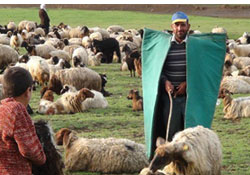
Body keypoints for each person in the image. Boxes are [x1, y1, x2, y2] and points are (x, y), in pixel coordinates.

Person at [0, 67, 46, 174]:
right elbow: (29, 150)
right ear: (28, 91)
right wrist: (42, 158)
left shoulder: (2, 108)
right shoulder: (16, 110)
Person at [160, 11, 190, 141]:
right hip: (169, 96)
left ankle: (192, 160)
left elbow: (201, 69)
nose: (179, 28)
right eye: (176, 25)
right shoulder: (164, 46)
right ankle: (173, 160)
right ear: (172, 27)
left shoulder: (194, 46)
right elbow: (157, 69)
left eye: (182, 25)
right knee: (171, 130)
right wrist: (165, 82)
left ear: (188, 26)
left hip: (191, 97)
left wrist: (187, 83)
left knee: (190, 131)